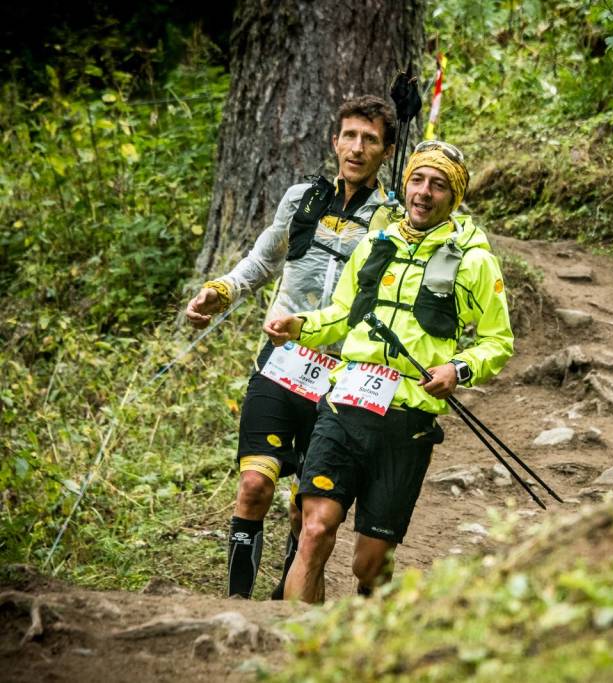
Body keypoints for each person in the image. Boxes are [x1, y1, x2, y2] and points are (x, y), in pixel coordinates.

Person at [263, 140, 514, 602]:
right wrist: (299, 325)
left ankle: (370, 635)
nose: (424, 192)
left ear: (453, 197)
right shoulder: (375, 245)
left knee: (370, 564)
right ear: (406, 184)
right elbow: (342, 316)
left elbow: (498, 340)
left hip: (407, 421)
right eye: (417, 180)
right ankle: (298, 654)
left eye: (438, 185)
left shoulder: (474, 260)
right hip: (344, 407)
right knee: (315, 529)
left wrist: (458, 369)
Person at [184, 95, 399, 600]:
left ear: (386, 151)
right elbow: (262, 260)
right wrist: (221, 292)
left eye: (370, 139)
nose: (357, 147)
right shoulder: (301, 198)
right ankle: (237, 603)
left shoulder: (392, 217)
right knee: (255, 486)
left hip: (341, 379)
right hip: (279, 367)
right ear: (334, 141)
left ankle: (285, 606)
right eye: (349, 135)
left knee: (307, 511)